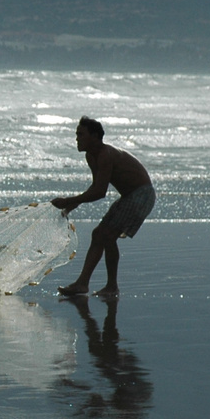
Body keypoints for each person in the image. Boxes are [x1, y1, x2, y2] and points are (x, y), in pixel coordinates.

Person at [51, 116, 154, 298]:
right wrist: (72, 205)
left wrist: (67, 200)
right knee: (100, 235)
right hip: (129, 196)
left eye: (81, 134)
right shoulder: (91, 156)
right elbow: (95, 187)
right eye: (77, 134)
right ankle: (84, 284)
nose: (77, 139)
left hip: (141, 195)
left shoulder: (105, 154)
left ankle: (110, 286)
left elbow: (100, 192)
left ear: (95, 136)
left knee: (106, 235)